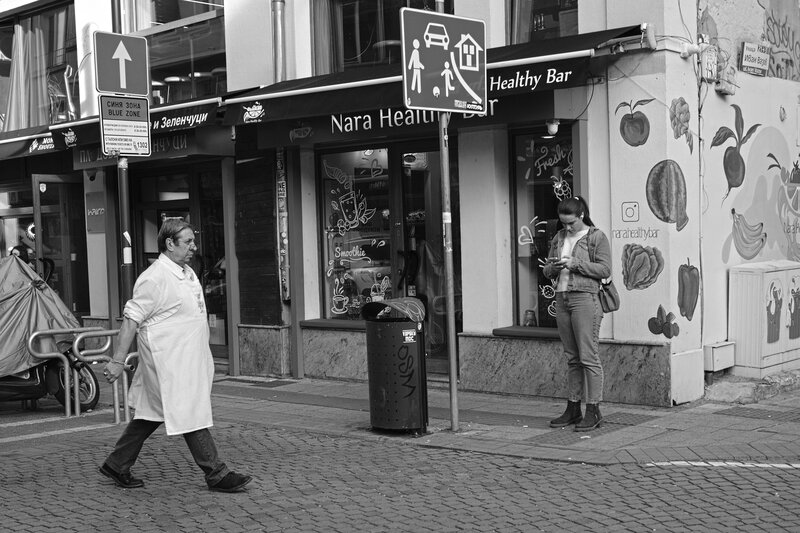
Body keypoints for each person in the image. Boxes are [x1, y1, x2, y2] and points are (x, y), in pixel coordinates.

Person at [100, 219, 252, 492]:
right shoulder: (154, 278)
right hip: (168, 364)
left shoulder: (186, 271)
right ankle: (216, 473)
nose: (194, 247)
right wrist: (117, 360)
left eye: (194, 241)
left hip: (185, 360)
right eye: (188, 242)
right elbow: (131, 320)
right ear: (169, 243)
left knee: (151, 414)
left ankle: (116, 463)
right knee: (187, 411)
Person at [542, 196, 612, 432]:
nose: (567, 227)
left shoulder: (596, 237)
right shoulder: (559, 237)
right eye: (563, 223)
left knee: (588, 357)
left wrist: (576, 265)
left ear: (581, 215)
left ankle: (593, 410)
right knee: (572, 358)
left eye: (571, 222)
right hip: (562, 298)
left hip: (585, 298)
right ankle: (573, 409)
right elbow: (546, 271)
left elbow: (605, 269)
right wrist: (552, 268)